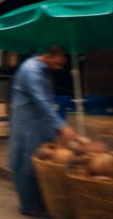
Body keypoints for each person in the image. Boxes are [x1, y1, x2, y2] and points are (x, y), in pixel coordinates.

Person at [9, 45, 77, 217]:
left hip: (40, 123)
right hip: (27, 124)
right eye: (58, 63)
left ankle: (39, 202)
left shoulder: (44, 70)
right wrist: (62, 126)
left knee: (42, 161)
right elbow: (41, 101)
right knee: (27, 164)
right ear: (48, 56)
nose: (60, 67)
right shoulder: (31, 70)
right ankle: (28, 206)